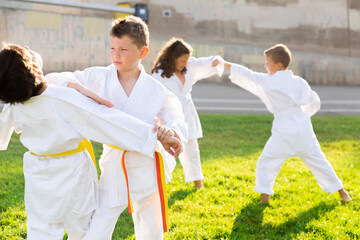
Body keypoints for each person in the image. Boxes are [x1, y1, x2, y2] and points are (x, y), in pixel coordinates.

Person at [0, 43, 182, 240]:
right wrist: (152, 136)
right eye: (28, 51)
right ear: (35, 70)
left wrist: (70, 84)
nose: (29, 47)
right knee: (82, 233)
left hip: (39, 180)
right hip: (73, 179)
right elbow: (109, 121)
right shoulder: (65, 99)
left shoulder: (15, 105)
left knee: (40, 232)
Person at [46, 16, 188, 240]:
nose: (115, 54)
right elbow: (54, 80)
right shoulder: (98, 77)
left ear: (143, 52)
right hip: (114, 165)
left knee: (151, 228)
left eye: (123, 49)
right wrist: (77, 87)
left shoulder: (155, 89)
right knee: (100, 223)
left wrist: (171, 132)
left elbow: (176, 116)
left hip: (146, 165)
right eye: (112, 47)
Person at [221, 43, 351, 204]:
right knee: (319, 161)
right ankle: (343, 193)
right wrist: (304, 114)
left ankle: (264, 198)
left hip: (283, 129)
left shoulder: (269, 81)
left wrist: (224, 63)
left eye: (267, 63)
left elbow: (248, 75)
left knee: (267, 162)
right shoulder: (298, 81)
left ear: (278, 65)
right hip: (303, 125)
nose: (265, 66)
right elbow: (313, 100)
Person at [151, 37, 223, 189]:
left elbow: (204, 62)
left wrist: (214, 61)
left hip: (187, 112)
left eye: (187, 60)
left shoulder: (188, 66)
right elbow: (153, 96)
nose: (186, 63)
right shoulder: (159, 74)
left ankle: (198, 182)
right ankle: (158, 182)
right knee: (166, 148)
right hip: (168, 115)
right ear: (172, 59)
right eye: (182, 60)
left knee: (191, 146)